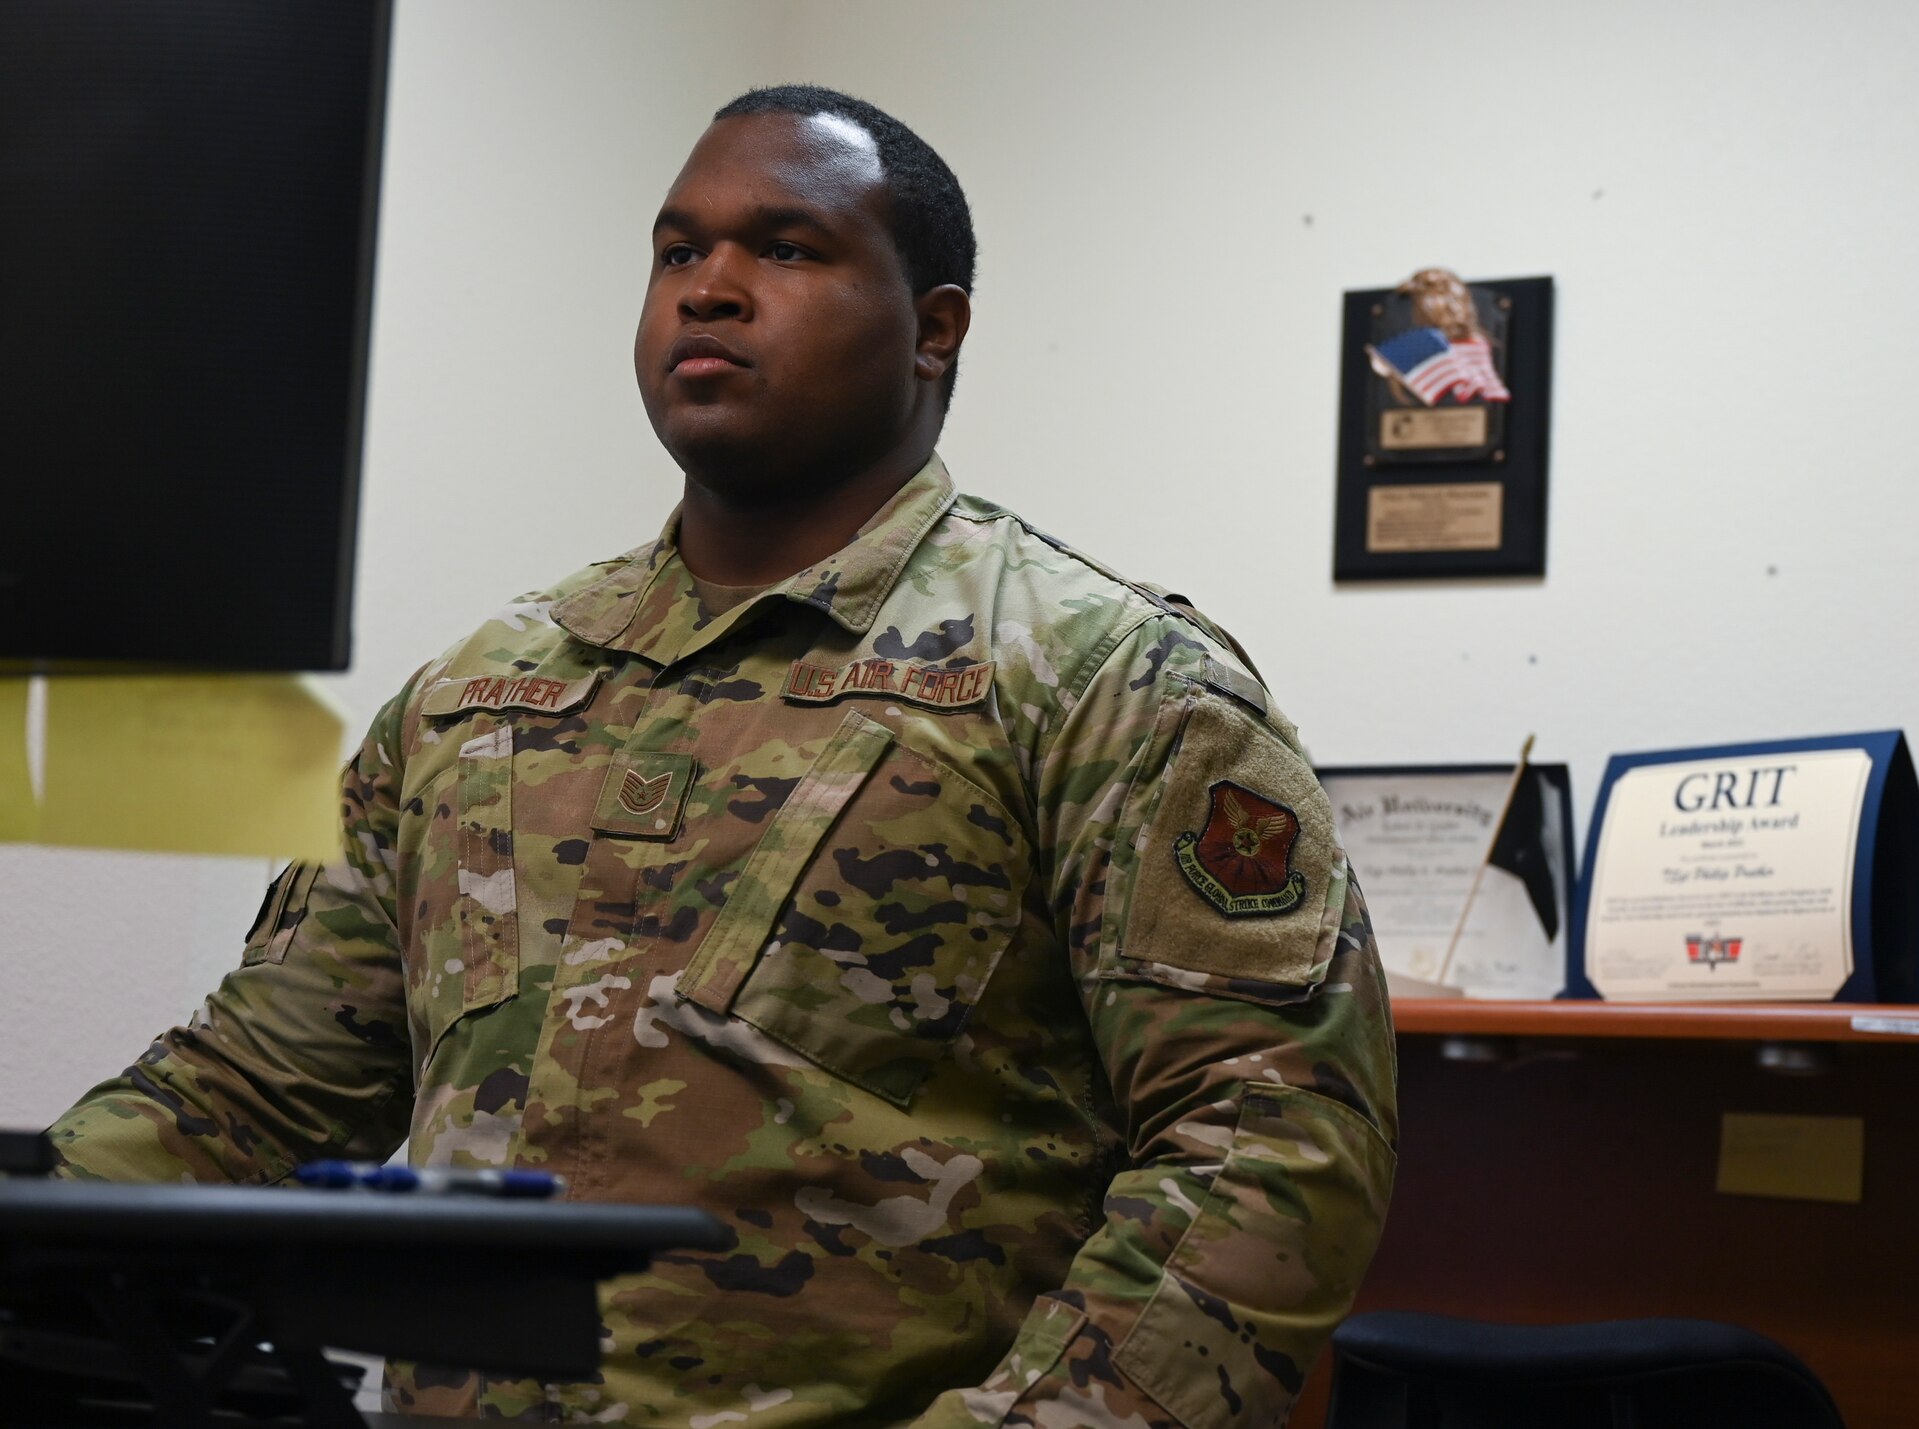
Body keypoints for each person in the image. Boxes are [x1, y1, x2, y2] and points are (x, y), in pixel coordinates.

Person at [49, 85, 1397, 1429]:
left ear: (934, 330)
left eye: (788, 249)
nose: (711, 290)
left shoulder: (1103, 679)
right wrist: (39, 1233)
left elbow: (1269, 1145)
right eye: (678, 252)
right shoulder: (476, 695)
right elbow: (250, 1091)